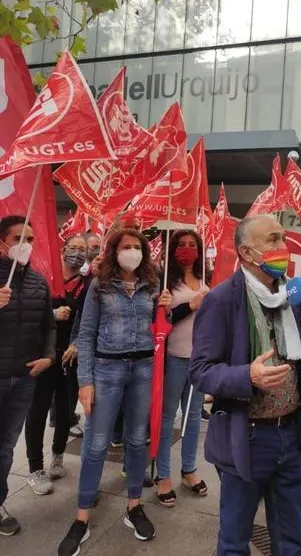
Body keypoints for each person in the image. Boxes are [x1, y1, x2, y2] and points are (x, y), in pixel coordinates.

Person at [189, 214, 301, 556]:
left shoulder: (294, 296)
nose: (283, 246)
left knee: (291, 539)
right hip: (247, 438)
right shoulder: (221, 300)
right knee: (234, 541)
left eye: (283, 238)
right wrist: (247, 375)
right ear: (247, 253)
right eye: (273, 239)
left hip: (293, 434)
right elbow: (200, 371)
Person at [58, 229, 172, 556]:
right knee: (96, 443)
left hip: (143, 369)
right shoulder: (99, 285)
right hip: (107, 370)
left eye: (137, 247)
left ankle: (134, 505)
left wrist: (165, 310)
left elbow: (160, 329)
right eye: (126, 247)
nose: (132, 251)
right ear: (114, 251)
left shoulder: (153, 285)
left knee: (136, 440)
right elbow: (86, 334)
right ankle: (81, 517)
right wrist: (85, 381)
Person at [0, 215, 56, 536]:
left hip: (22, 379)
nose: (26, 245)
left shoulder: (38, 281)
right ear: (2, 243)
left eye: (30, 239)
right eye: (19, 238)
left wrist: (48, 356)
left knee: (6, 445)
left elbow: (48, 326)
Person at [25, 235, 90, 495]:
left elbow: (88, 318)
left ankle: (58, 457)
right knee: (38, 410)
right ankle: (35, 467)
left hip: (70, 357)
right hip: (43, 355)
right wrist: (52, 314)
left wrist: (77, 342)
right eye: (73, 247)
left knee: (65, 410)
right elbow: (27, 311)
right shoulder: (43, 277)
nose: (78, 253)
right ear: (62, 249)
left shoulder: (87, 284)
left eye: (83, 249)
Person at [155, 230, 210, 506]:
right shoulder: (165, 280)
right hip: (173, 358)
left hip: (199, 360)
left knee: (193, 417)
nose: (187, 249)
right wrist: (191, 304)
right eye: (182, 244)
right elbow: (163, 320)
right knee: (167, 418)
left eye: (192, 245)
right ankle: (162, 474)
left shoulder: (205, 278)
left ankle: (189, 469)